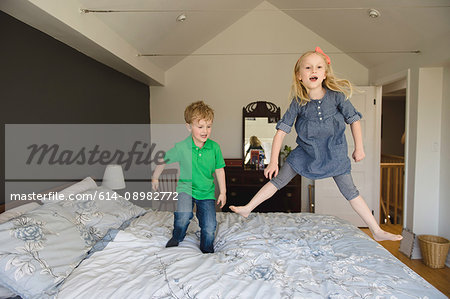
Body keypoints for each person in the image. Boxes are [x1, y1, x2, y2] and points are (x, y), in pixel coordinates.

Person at [231, 47, 402, 242]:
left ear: (325, 73)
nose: (314, 71)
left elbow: (354, 120)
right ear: (299, 76)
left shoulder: (337, 96)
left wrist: (359, 147)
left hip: (334, 153)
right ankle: (247, 208)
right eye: (308, 67)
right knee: (278, 181)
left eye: (318, 67)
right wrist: (273, 162)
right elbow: (280, 132)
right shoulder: (298, 102)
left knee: (351, 191)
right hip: (305, 152)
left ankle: (376, 230)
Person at [152, 101, 227, 253]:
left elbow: (220, 170)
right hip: (186, 189)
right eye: (200, 127)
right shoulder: (181, 147)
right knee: (183, 217)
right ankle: (177, 236)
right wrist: (155, 177)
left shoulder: (214, 148)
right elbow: (163, 160)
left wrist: (223, 192)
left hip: (206, 192)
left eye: (208, 126)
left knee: (209, 226)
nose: (205, 131)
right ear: (189, 127)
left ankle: (206, 249)